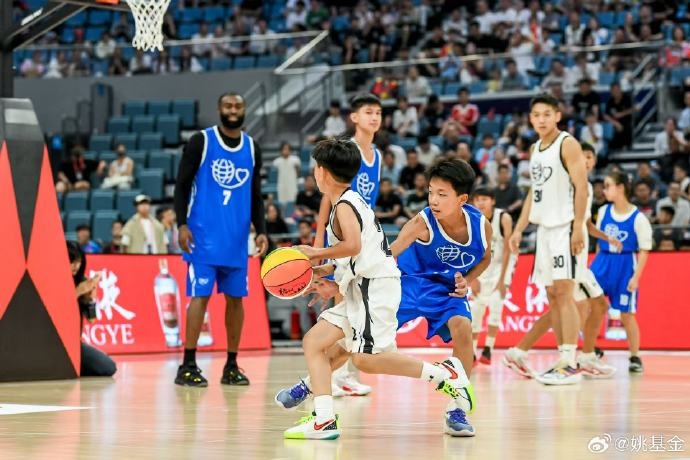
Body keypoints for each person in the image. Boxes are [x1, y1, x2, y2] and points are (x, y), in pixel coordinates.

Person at [274, 140, 469, 439]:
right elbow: (358, 253)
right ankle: (324, 419)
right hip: (362, 285)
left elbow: (352, 245)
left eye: (315, 168)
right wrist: (325, 273)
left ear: (322, 172)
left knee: (365, 359)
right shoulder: (350, 200)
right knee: (314, 342)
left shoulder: (344, 206)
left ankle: (444, 374)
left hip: (374, 287)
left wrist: (315, 253)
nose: (314, 173)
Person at [173, 92, 268, 387]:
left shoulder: (252, 147)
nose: (233, 110)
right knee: (199, 297)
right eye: (228, 105)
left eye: (238, 105)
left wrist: (262, 229)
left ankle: (231, 365)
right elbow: (182, 185)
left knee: (236, 301)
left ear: (244, 109)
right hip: (202, 236)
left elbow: (255, 194)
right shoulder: (201, 141)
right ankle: (187, 365)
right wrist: (181, 224)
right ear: (219, 109)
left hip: (237, 239)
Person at [391, 158, 491, 435]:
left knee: (464, 329)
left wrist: (467, 280)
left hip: (446, 289)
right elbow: (389, 253)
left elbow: (486, 258)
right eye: (430, 192)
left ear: (462, 199)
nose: (433, 200)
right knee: (363, 338)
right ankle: (314, 383)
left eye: (442, 194)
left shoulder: (481, 226)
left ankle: (457, 409)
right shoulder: (421, 222)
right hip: (409, 284)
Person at [503, 144, 620, 379]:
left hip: (576, 255)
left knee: (584, 306)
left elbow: (585, 223)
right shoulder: (565, 183)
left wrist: (606, 237)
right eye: (582, 156)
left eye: (590, 157)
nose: (586, 160)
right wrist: (520, 229)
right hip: (565, 250)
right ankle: (573, 358)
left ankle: (524, 352)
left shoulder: (586, 187)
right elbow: (539, 203)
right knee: (576, 305)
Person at [508, 94, 589, 385]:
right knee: (553, 295)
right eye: (536, 115)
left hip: (565, 226)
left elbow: (582, 187)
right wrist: (519, 228)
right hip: (544, 230)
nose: (541, 120)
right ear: (530, 119)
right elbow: (534, 192)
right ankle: (562, 358)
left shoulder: (568, 144)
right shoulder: (535, 148)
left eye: (546, 114)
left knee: (565, 293)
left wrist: (578, 225)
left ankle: (570, 361)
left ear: (557, 115)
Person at [314, 94, 385, 396]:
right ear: (354, 117)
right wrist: (318, 241)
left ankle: (343, 373)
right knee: (344, 303)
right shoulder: (347, 150)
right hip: (342, 234)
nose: (375, 117)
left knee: (354, 304)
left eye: (378, 112)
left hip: (361, 234)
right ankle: (332, 374)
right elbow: (327, 197)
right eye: (368, 112)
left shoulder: (376, 155)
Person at [590, 171, 652, 373]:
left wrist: (636, 277)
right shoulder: (603, 211)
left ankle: (635, 356)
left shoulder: (638, 218)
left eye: (608, 185)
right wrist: (596, 265)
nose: (604, 190)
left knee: (627, 315)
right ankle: (591, 349)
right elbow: (599, 241)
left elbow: (644, 250)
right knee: (589, 306)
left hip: (625, 264)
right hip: (603, 261)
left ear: (620, 188)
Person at [470, 187, 516, 365]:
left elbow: (508, 250)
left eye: (484, 199)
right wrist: (472, 278)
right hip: (481, 267)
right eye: (477, 199)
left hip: (501, 266)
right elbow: (470, 251)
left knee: (496, 306)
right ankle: (472, 351)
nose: (480, 202)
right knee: (477, 309)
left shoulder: (503, 217)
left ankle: (488, 348)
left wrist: (503, 279)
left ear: (493, 201)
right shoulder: (472, 220)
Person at [67, 241, 117, 377]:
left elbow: (91, 319)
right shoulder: (55, 281)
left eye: (78, 261)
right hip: (55, 342)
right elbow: (55, 311)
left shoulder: (82, 281)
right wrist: (77, 292)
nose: (76, 266)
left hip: (74, 343)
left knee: (108, 367)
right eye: (72, 261)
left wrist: (91, 300)